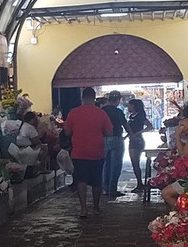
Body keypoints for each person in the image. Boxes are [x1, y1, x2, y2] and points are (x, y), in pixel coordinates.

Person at [64, 87, 113, 218]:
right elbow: (109, 132)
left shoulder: (73, 113)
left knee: (81, 180)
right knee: (97, 181)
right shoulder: (101, 113)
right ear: (94, 97)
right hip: (97, 151)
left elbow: (67, 132)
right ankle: (96, 208)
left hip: (79, 152)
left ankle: (83, 209)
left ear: (82, 97)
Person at [101, 91, 127, 198]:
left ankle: (105, 189)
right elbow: (125, 125)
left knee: (105, 165)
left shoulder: (102, 111)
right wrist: (130, 136)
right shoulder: (118, 112)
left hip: (103, 139)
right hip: (116, 138)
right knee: (115, 165)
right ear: (118, 100)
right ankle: (112, 189)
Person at [125, 98, 153, 193]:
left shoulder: (139, 116)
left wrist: (137, 133)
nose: (128, 107)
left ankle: (140, 184)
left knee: (135, 162)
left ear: (134, 106)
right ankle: (139, 183)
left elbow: (149, 126)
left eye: (129, 105)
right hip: (132, 140)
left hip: (137, 141)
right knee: (134, 163)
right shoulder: (131, 116)